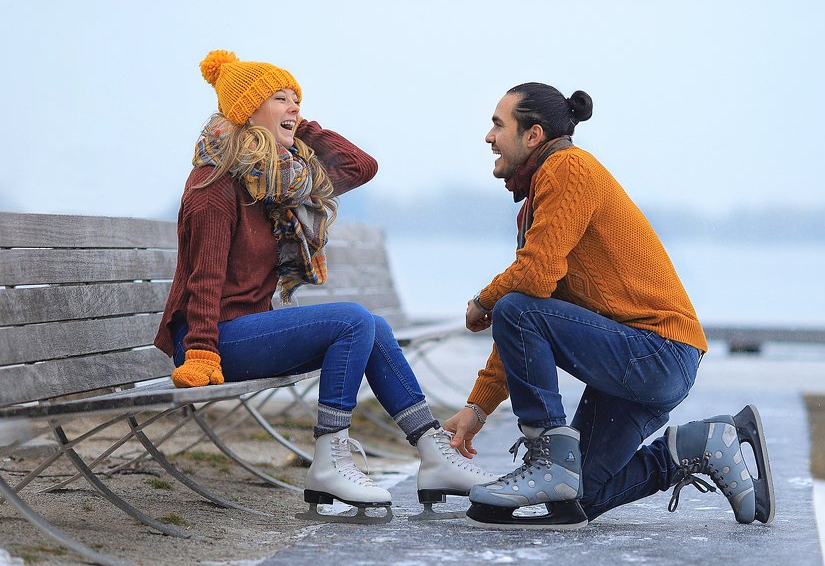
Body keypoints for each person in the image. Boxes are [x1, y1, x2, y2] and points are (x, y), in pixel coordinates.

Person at [154, 50, 495, 523]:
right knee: (352, 320)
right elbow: (204, 279)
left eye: (298, 98)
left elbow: (360, 166)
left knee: (370, 325)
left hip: (247, 329)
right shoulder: (215, 185)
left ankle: (433, 455)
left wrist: (298, 125)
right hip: (209, 342)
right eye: (280, 98)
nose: (294, 107)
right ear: (245, 111)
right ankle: (330, 458)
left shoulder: (278, 181)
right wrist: (202, 353)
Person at [443, 83, 774, 529]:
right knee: (580, 498)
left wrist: (482, 300)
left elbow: (528, 288)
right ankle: (707, 443)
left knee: (515, 307)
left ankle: (548, 460)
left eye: (498, 125)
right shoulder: (545, 194)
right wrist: (477, 408)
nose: (488, 137)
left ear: (533, 135)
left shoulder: (566, 169)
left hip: (657, 352)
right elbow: (530, 311)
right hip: (641, 361)